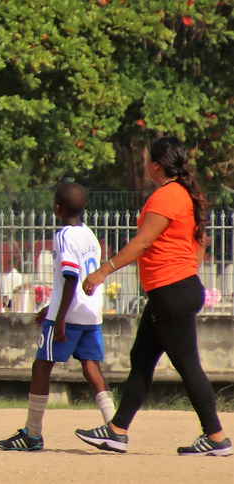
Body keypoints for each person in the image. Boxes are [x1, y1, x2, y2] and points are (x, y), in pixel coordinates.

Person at [76, 137, 231, 456]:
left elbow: (143, 242)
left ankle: (216, 437)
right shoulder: (188, 193)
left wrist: (102, 271)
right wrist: (189, 271)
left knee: (188, 365)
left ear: (156, 165)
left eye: (147, 159)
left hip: (171, 292)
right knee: (142, 359)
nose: (145, 164)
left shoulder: (167, 196)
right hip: (174, 290)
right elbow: (202, 239)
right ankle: (116, 431)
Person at [0, 182, 114, 451]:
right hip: (90, 314)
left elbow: (71, 278)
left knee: (42, 366)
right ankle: (113, 427)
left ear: (56, 208)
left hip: (68, 316)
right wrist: (50, 307)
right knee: (91, 367)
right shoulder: (88, 234)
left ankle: (33, 434)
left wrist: (58, 317)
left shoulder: (63, 236)